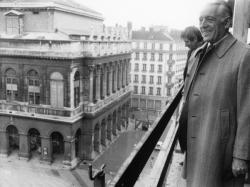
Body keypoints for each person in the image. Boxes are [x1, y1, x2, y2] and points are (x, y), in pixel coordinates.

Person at [179, 1, 250, 187]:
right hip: (195, 146)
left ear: (226, 23)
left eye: (209, 19)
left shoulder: (244, 56)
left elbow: (247, 111)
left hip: (220, 151)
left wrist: (241, 156)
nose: (202, 25)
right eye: (200, 19)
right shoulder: (197, 54)